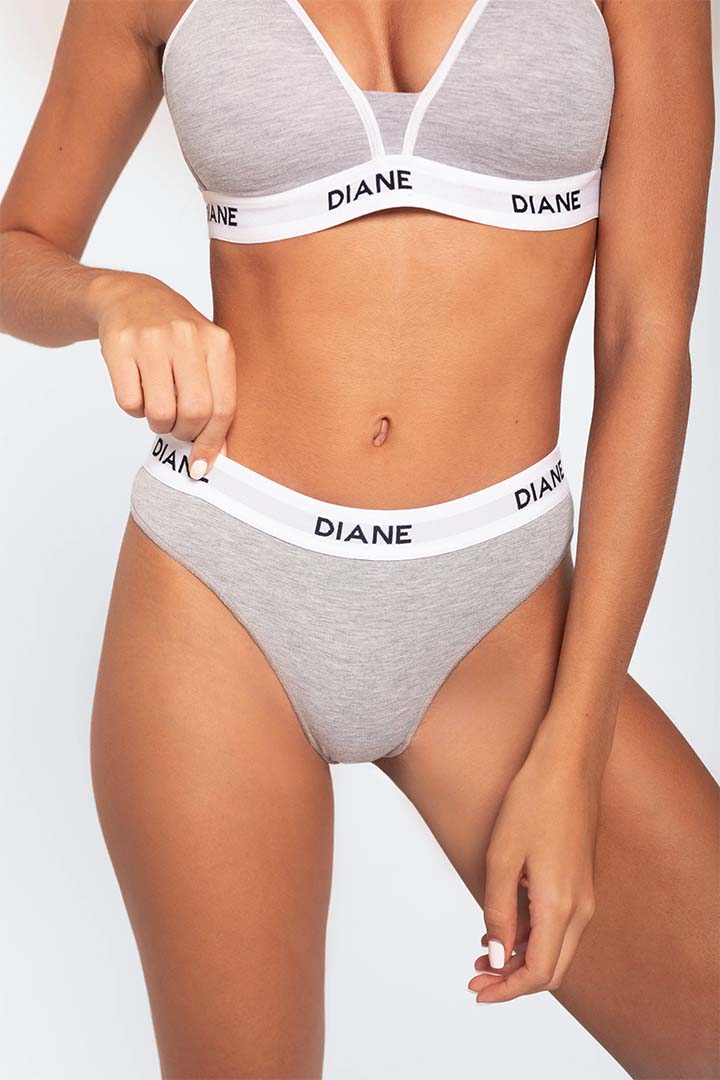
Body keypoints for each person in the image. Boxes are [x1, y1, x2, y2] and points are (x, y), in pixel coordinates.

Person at [0, 1, 717, 1077]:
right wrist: (112, 295)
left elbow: (646, 337)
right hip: (221, 588)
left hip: (499, 613)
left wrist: (574, 756)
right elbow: (16, 249)